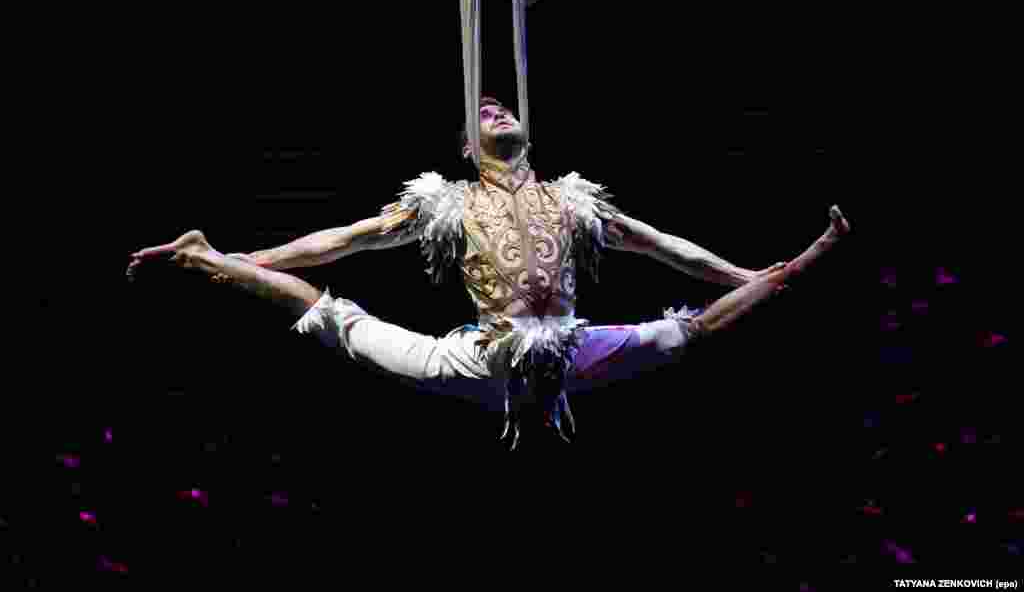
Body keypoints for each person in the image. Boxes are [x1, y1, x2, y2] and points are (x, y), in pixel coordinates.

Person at [127, 97, 850, 450]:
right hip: (480, 359)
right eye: (483, 108)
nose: (495, 106)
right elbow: (341, 241)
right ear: (470, 146)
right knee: (340, 320)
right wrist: (248, 259)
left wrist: (747, 271)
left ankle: (794, 271)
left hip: (568, 350)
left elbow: (668, 248)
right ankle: (209, 258)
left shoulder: (571, 199)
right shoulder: (450, 200)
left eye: (504, 103)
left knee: (685, 332)